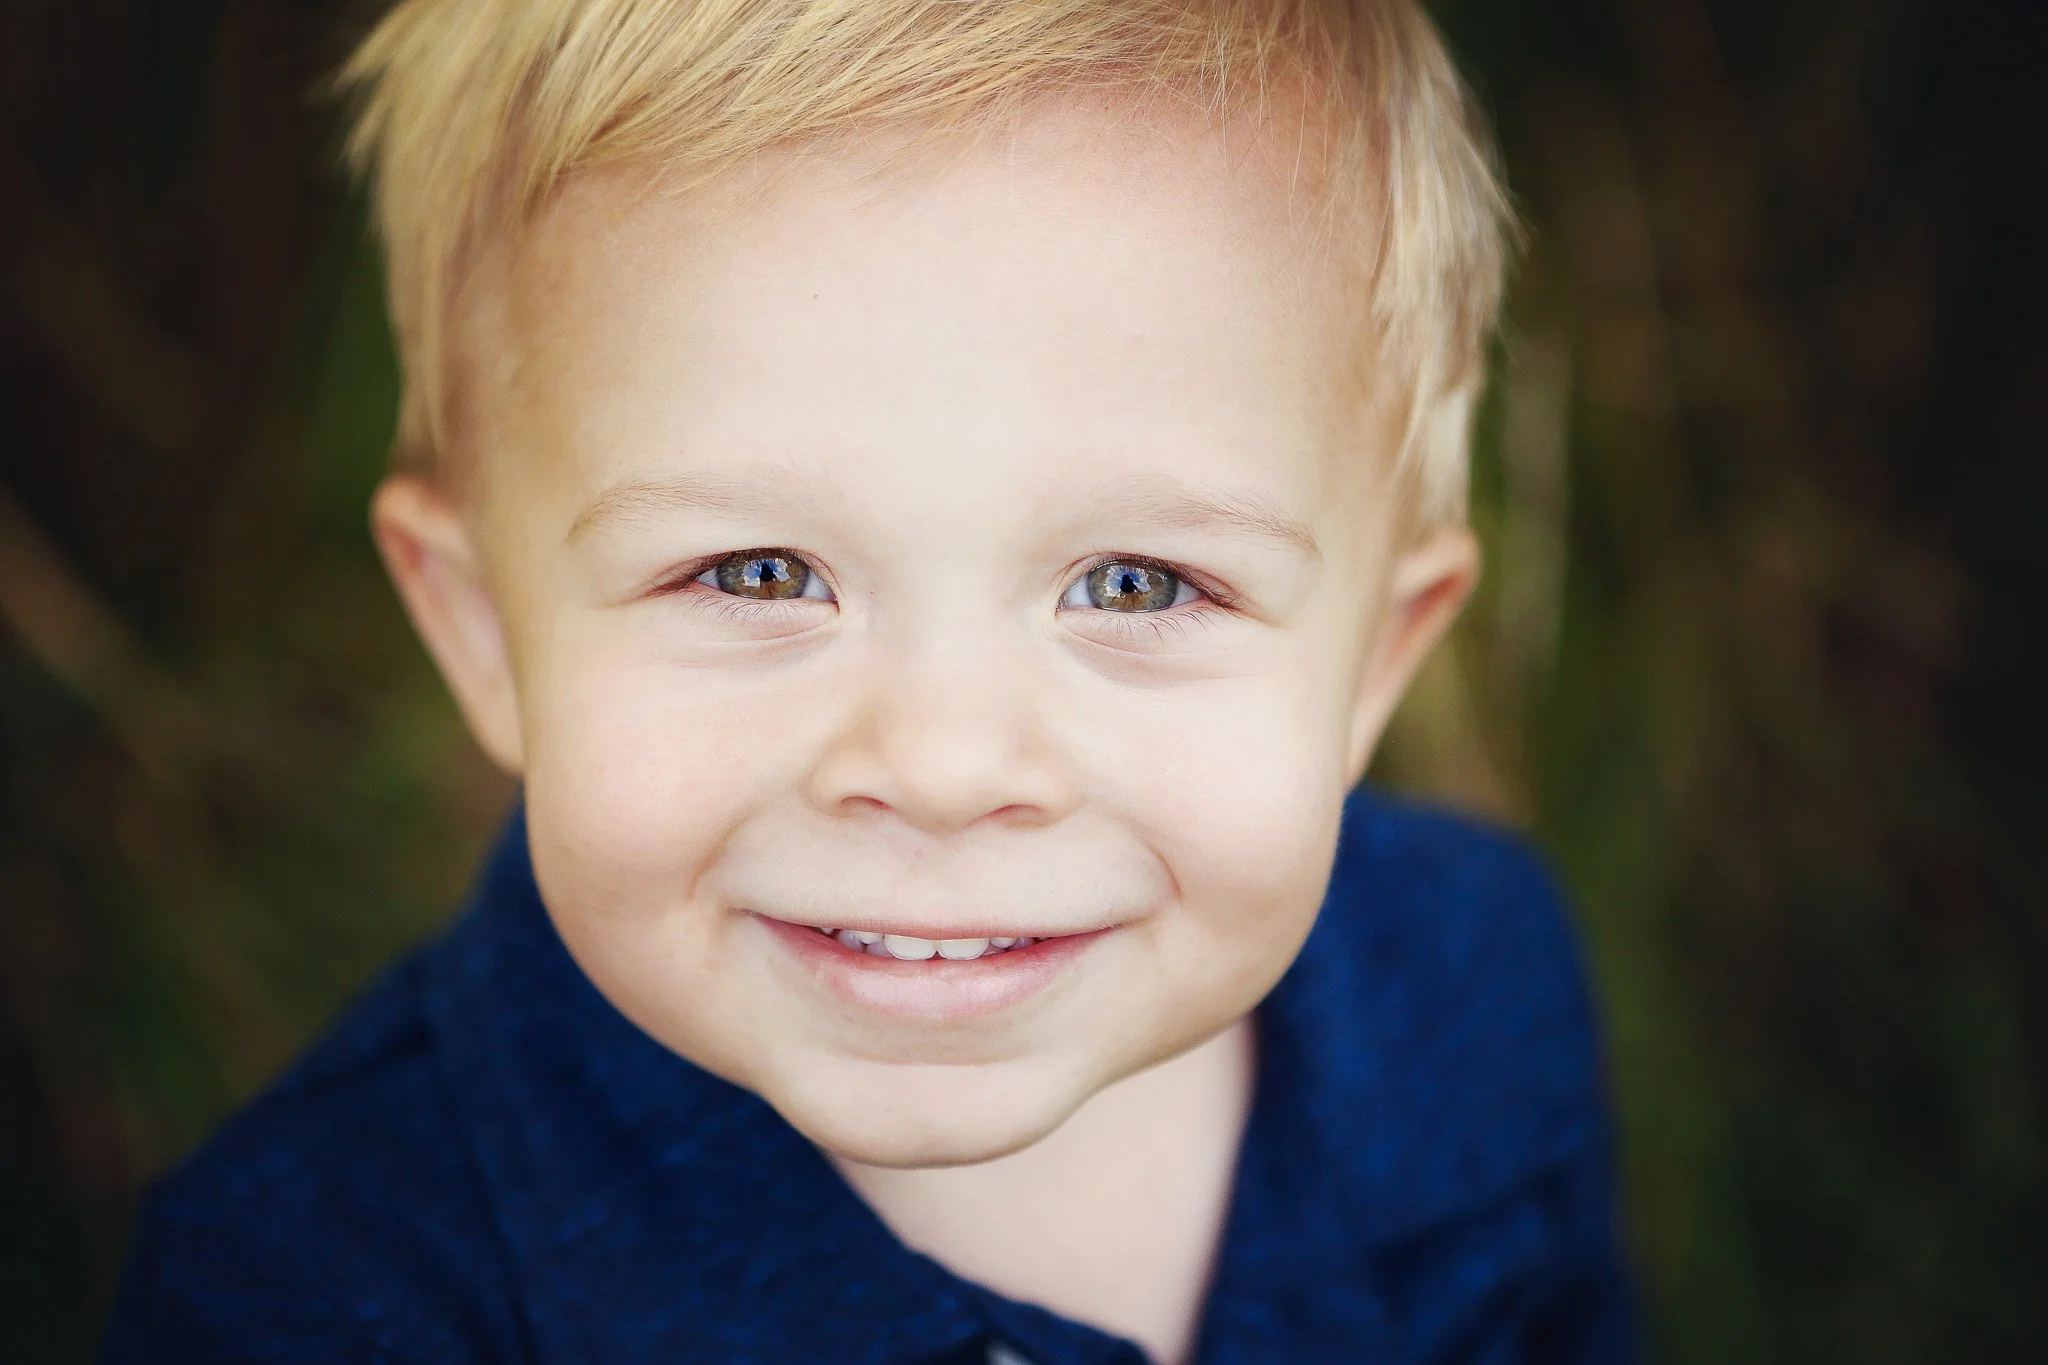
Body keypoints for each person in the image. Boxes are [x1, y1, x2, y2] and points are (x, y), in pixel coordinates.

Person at [101, 2, 1633, 1360]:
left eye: (1138, 585)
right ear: (484, 633)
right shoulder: (309, 1295)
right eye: (759, 575)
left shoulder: (1473, 989)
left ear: (1375, 662)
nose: (947, 762)